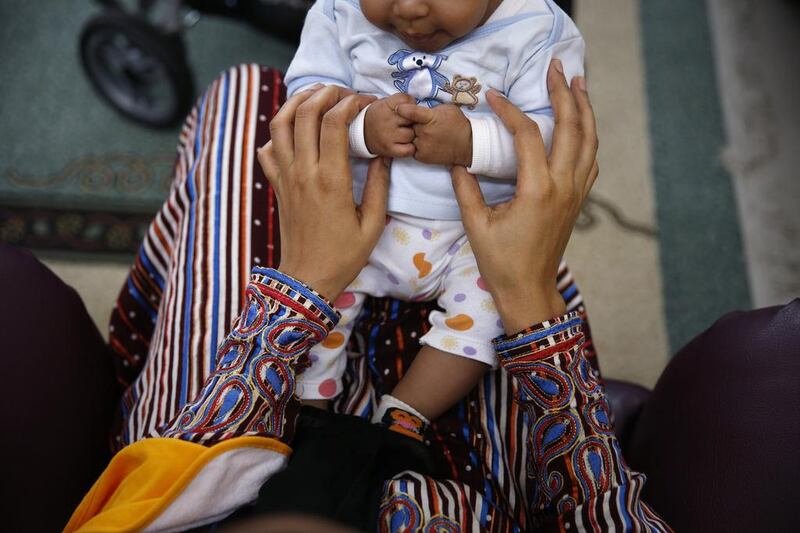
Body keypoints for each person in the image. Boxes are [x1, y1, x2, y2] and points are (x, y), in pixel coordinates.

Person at [64, 61, 671, 531]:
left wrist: (300, 288)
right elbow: (603, 509)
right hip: (467, 484)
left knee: (251, 95)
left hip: (205, 471)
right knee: (505, 219)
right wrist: (531, 293)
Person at [283, 0, 587, 440]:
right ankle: (307, 409)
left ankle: (405, 415)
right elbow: (306, 102)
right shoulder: (337, 11)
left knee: (488, 317)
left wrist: (472, 139)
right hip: (355, 219)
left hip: (478, 234)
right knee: (314, 293)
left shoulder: (539, 31)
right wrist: (361, 127)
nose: (407, 8)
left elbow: (553, 140)